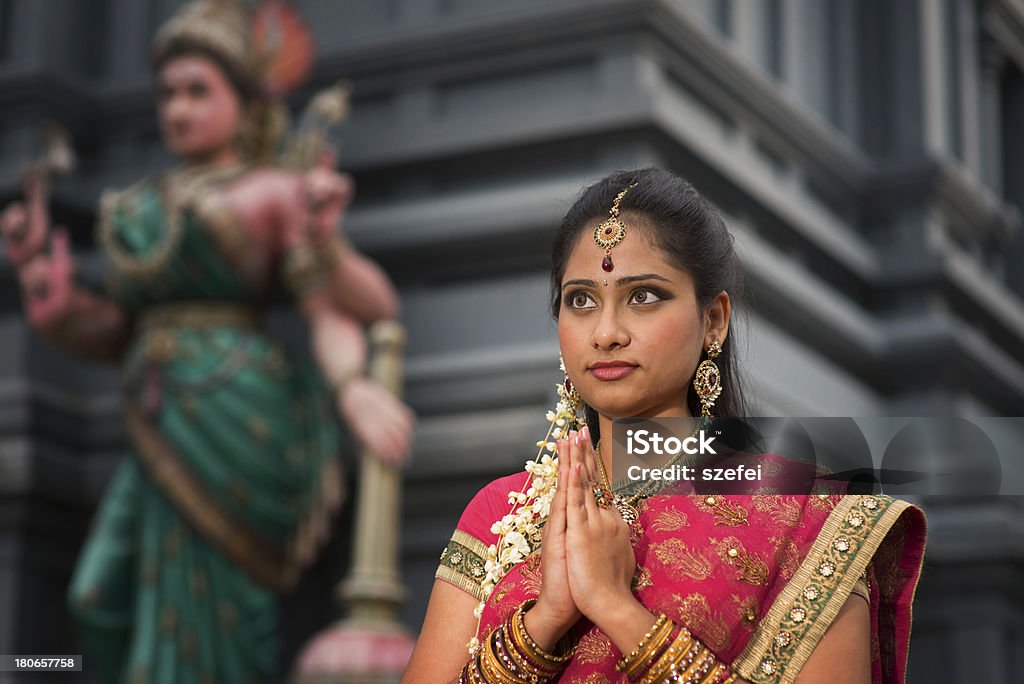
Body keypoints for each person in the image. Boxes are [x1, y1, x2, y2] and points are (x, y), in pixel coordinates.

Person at [0, 1, 414, 682]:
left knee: (223, 613)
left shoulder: (277, 192)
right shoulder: (140, 206)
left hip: (239, 421)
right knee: (96, 595)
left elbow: (339, 307)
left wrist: (353, 388)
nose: (179, 108)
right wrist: (55, 306)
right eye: (168, 92)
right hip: (156, 423)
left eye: (199, 91)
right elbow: (116, 331)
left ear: (247, 106)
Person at [402, 167, 926, 683]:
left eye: (643, 296)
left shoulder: (807, 518)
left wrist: (616, 609)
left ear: (713, 321)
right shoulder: (501, 514)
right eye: (580, 300)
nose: (605, 332)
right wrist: (543, 623)